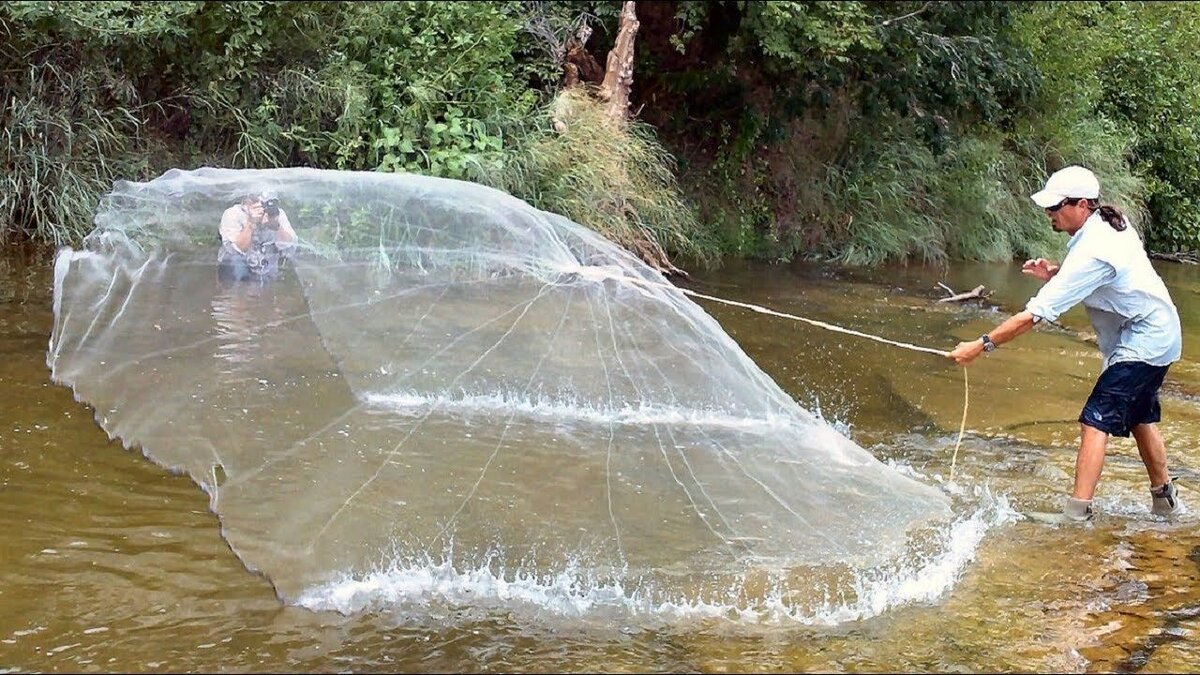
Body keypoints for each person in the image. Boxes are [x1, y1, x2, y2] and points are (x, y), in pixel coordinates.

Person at [948, 165, 1183, 523]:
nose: (1050, 214)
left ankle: (1076, 515)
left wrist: (980, 345)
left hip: (1146, 340)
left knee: (1096, 419)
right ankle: (1165, 501)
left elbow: (1033, 315)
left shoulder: (1096, 248)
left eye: (1056, 207)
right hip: (1157, 334)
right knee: (1139, 415)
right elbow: (1109, 275)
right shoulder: (1107, 225)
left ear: (1083, 205)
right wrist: (1059, 272)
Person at [217, 190, 297, 283]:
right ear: (247, 200)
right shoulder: (233, 214)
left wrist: (277, 226)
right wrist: (251, 223)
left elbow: (289, 247)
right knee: (236, 264)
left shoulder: (278, 214)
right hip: (237, 271)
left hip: (267, 271)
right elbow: (235, 250)